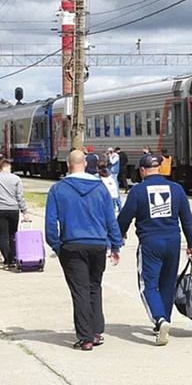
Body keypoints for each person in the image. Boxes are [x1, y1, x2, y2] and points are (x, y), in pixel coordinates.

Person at [45, 150, 122, 351]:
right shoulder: (100, 188)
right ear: (86, 164)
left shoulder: (58, 189)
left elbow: (51, 222)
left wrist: (56, 245)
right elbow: (110, 219)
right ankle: (96, 331)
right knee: (94, 286)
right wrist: (115, 245)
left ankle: (86, 337)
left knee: (79, 291)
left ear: (68, 165)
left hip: (72, 244)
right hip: (97, 244)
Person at [119, 153, 192, 346]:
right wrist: (191, 244)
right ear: (160, 168)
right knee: (168, 284)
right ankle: (165, 321)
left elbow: (124, 218)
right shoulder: (176, 189)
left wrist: (119, 236)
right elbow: (187, 219)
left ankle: (160, 319)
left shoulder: (138, 191)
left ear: (143, 171)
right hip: (173, 241)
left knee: (149, 284)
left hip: (150, 243)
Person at [0, 158, 30, 269]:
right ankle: (12, 258)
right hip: (13, 209)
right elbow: (20, 196)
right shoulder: (16, 179)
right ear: (9, 167)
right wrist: (24, 211)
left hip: (1, 210)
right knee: (13, 234)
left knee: (3, 236)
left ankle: (6, 259)